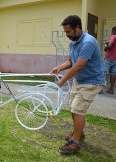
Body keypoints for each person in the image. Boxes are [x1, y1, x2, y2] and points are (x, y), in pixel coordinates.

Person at [50, 15, 105, 154]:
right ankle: (78, 133)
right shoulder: (73, 42)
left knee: (77, 109)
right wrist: (59, 68)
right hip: (79, 81)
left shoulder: (88, 42)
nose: (67, 35)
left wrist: (62, 81)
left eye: (68, 31)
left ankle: (74, 142)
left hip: (91, 82)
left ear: (78, 28)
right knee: (73, 108)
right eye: (65, 32)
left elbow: (79, 66)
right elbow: (71, 62)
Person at [103, 26, 116, 95]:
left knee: (102, 72)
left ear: (114, 31)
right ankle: (111, 89)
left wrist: (106, 47)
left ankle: (99, 89)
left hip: (109, 58)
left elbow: (110, 46)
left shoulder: (113, 36)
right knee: (113, 74)